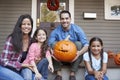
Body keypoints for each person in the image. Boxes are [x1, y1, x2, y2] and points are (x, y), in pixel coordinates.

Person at [48, 10, 89, 80]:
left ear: (70, 19)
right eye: (62, 19)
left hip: (74, 58)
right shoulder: (56, 31)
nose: (65, 21)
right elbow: (49, 45)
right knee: (54, 44)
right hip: (59, 59)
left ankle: (72, 74)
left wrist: (79, 53)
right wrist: (52, 52)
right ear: (60, 20)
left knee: (79, 44)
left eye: (66, 18)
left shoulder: (77, 29)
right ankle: (58, 74)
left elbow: (86, 45)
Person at [0, 14, 33, 80]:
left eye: (29, 24)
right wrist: (21, 65)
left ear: (31, 26)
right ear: (20, 26)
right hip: (5, 68)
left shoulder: (31, 41)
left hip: (22, 68)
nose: (26, 26)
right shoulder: (12, 39)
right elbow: (4, 61)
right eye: (24, 24)